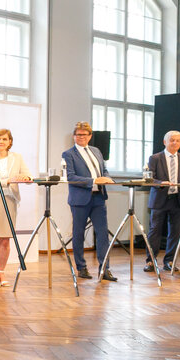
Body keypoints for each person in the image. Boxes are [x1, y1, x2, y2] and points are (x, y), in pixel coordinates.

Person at [62, 121, 116, 282]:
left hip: (98, 198)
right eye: (78, 135)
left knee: (102, 234)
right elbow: (70, 177)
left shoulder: (96, 151)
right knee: (78, 234)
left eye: (85, 135)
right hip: (80, 199)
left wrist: (107, 178)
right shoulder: (68, 154)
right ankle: (81, 268)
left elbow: (103, 170)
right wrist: (94, 180)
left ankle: (105, 269)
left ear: (90, 136)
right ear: (74, 136)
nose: (81, 137)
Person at [0, 129, 31, 287]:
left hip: (10, 200)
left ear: (10, 142)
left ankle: (1, 272)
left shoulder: (17, 158)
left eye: (4, 139)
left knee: (5, 240)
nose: (1, 142)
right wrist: (8, 181)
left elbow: (27, 175)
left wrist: (26, 179)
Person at [144, 130, 180, 273]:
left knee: (175, 232)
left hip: (178, 200)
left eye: (178, 140)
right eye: (172, 140)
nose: (175, 143)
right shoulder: (155, 158)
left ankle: (169, 261)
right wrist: (161, 182)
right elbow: (149, 179)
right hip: (160, 199)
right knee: (155, 231)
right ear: (165, 142)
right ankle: (150, 261)